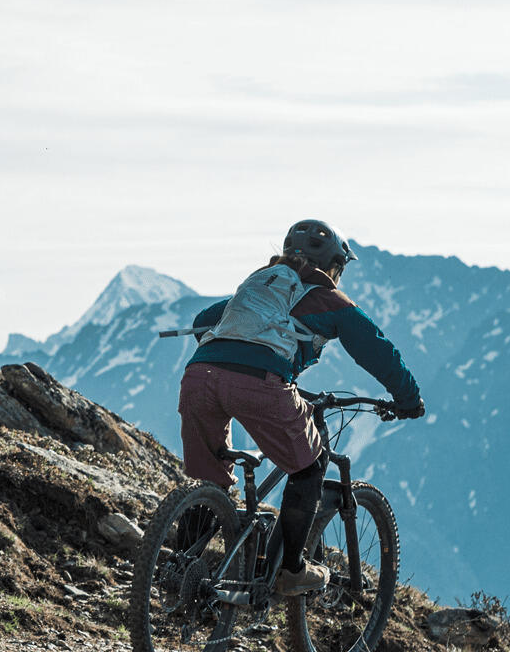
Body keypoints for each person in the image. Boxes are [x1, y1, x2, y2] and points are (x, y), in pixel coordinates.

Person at [179, 219, 423, 597]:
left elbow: (202, 322)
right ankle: (291, 571)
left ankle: (178, 570)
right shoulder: (327, 299)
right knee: (310, 466)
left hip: (198, 376)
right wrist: (408, 398)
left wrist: (232, 357)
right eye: (340, 269)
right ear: (332, 266)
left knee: (212, 478)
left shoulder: (262, 286)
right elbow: (376, 348)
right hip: (260, 383)